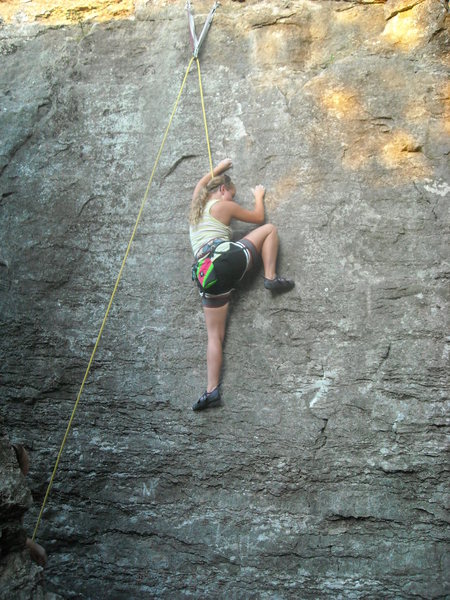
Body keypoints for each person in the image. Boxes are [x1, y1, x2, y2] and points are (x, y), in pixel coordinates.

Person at [189, 158, 295, 411]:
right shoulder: (221, 206)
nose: (231, 199)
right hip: (223, 258)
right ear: (222, 191)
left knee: (215, 336)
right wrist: (259, 196)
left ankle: (211, 391)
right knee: (269, 229)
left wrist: (220, 167)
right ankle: (270, 278)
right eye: (231, 194)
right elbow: (258, 217)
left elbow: (200, 183)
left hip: (205, 274)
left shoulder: (196, 207)